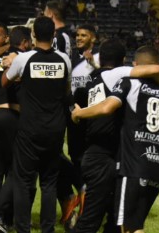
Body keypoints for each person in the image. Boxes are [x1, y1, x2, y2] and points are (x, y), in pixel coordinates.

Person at [71, 45, 159, 233]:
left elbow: (105, 108)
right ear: (124, 61)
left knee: (115, 222)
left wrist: (79, 113)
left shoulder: (111, 80)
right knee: (119, 222)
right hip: (151, 162)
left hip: (119, 160)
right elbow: (158, 71)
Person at [0, 16, 71, 233]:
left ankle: (23, 229)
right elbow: (66, 91)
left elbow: (4, 82)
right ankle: (47, 229)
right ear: (54, 35)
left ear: (33, 35)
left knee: (23, 181)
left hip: (29, 129)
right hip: (55, 128)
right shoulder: (64, 60)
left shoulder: (24, 59)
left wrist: (10, 65)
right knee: (49, 183)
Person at [0, 25, 33, 232]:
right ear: (26, 42)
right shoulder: (20, 57)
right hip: (10, 115)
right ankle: (1, 214)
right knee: (17, 169)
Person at [60, 24, 100, 227]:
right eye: (77, 35)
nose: (79, 38)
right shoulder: (73, 59)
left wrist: (95, 62)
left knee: (90, 158)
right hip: (74, 117)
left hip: (93, 117)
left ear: (93, 37)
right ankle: (82, 191)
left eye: (84, 35)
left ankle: (91, 199)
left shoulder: (100, 58)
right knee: (75, 156)